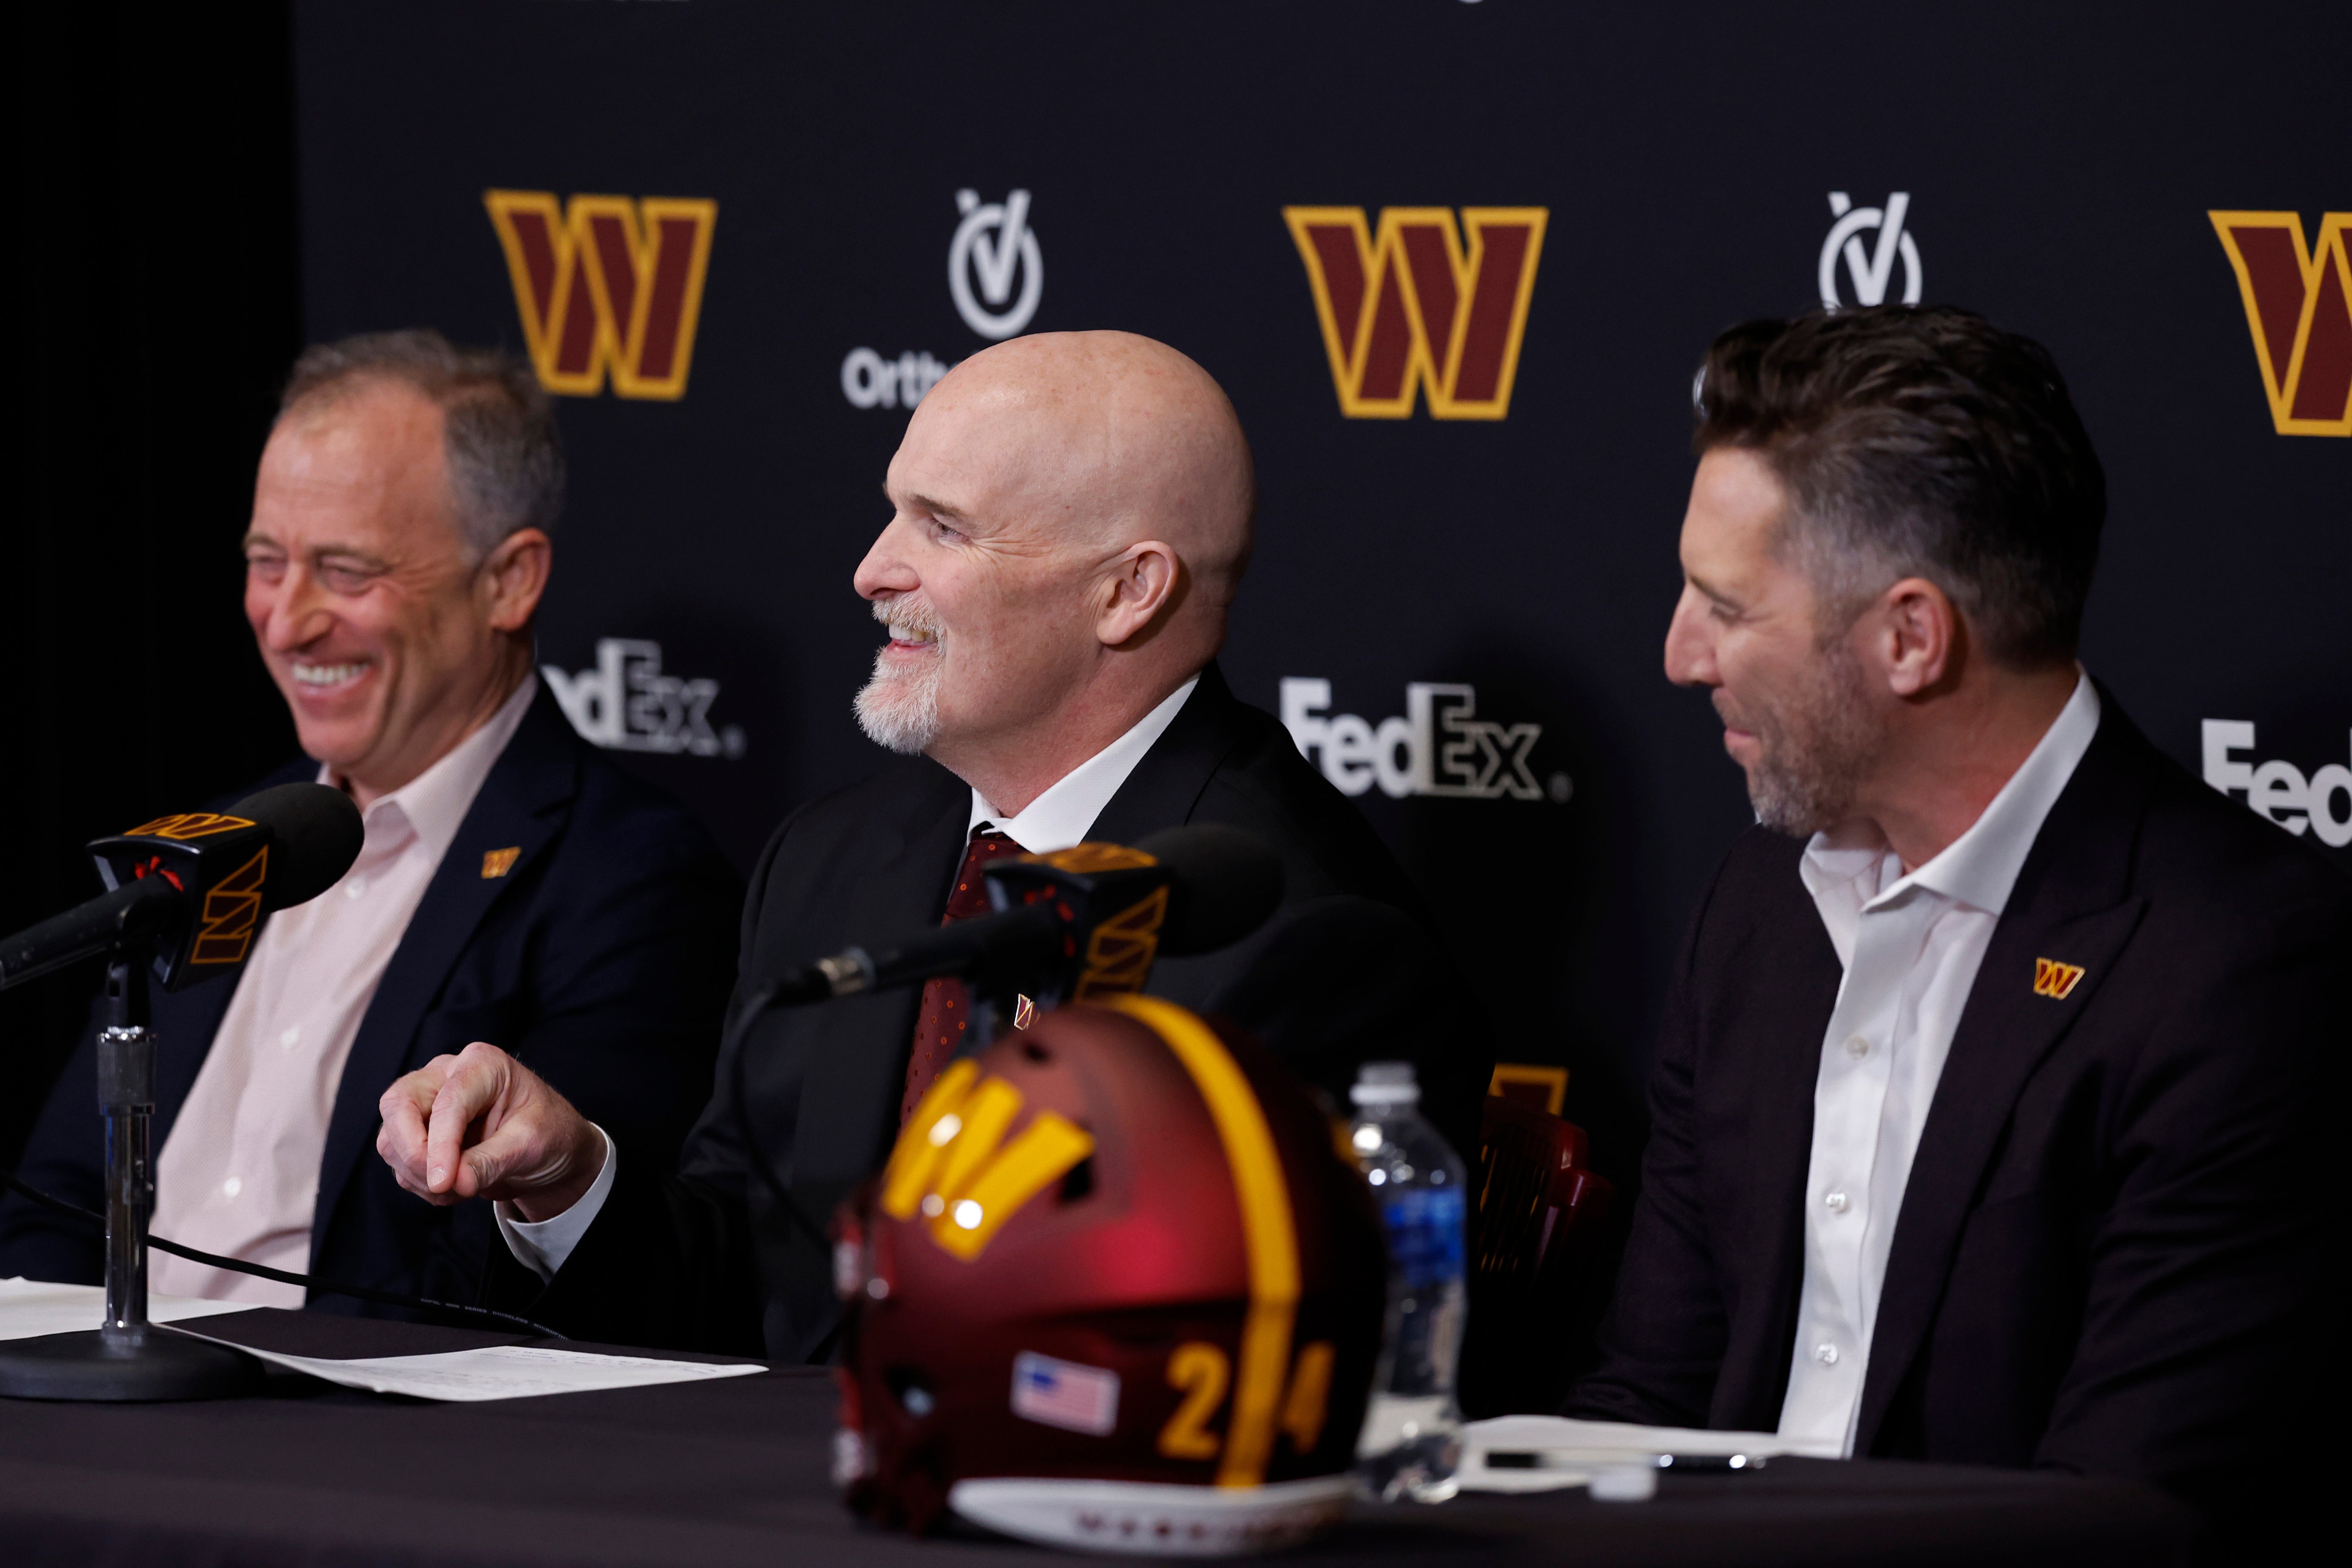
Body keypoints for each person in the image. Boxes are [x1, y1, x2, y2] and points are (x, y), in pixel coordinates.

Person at [372, 331, 1486, 1361]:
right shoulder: (832, 860)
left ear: (1129, 591)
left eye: (942, 527)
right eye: (893, 513)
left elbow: (1233, 1376)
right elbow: (751, 1300)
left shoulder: (1308, 933)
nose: (871, 569)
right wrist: (570, 1179)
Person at [1566, 307, 2344, 1520]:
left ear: (1911, 639)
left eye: (1726, 605)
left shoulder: (2237, 971)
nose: (1679, 653)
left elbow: (2119, 1522)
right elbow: (1646, 1400)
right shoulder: (1759, 912)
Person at [0, 331, 740, 1317]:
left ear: (509, 581)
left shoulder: (629, 876)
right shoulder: (219, 839)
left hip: (332, 1442)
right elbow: (52, 1209)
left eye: (347, 572)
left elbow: (532, 1288)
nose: (286, 620)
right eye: (268, 561)